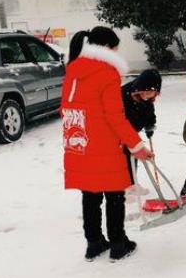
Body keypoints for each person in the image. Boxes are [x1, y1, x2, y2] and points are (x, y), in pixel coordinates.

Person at [61, 26, 153, 262]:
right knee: (114, 196)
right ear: (108, 48)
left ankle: (94, 244)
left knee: (90, 196)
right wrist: (137, 145)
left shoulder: (72, 70)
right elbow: (114, 117)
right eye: (116, 48)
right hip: (103, 145)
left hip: (78, 144)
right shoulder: (107, 72)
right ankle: (118, 244)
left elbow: (67, 109)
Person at [121, 69, 162, 198]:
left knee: (133, 156)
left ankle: (132, 184)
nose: (147, 96)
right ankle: (124, 188)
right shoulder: (122, 95)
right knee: (123, 157)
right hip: (119, 131)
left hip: (132, 131)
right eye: (146, 93)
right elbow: (117, 118)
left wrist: (150, 124)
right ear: (139, 88)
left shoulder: (146, 96)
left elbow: (149, 110)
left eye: (151, 93)